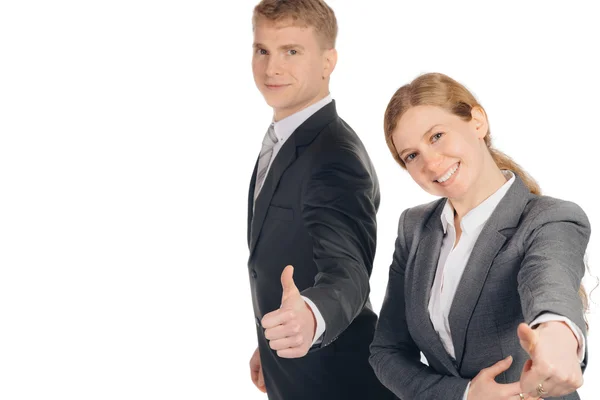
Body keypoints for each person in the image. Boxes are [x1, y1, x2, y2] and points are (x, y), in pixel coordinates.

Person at [369, 72, 590, 400]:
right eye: (411, 155)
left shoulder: (549, 218)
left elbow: (550, 285)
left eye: (437, 136)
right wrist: (465, 394)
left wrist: (558, 338)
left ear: (477, 122)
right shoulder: (413, 228)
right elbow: (387, 352)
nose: (430, 162)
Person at [246, 1, 395, 399]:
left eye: (291, 51)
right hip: (300, 370)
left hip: (340, 382)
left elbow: (348, 273)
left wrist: (311, 319)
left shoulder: (335, 156)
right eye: (263, 50)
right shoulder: (287, 137)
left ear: (328, 61)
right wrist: (272, 343)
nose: (272, 68)